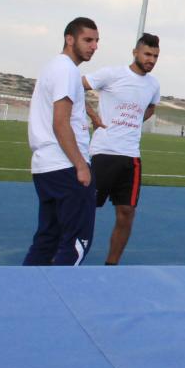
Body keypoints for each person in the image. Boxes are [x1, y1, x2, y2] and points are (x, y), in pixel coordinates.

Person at [23, 17, 99, 265]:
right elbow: (60, 122)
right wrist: (81, 165)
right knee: (77, 244)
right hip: (65, 166)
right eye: (88, 40)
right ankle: (58, 298)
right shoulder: (67, 69)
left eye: (96, 41)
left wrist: (90, 113)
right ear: (70, 39)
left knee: (47, 240)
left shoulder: (53, 67)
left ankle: (25, 293)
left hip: (45, 168)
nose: (94, 46)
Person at [82, 33, 161, 266]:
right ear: (135, 52)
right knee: (85, 209)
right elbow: (74, 87)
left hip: (131, 157)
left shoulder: (153, 84)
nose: (151, 60)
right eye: (147, 54)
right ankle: (68, 254)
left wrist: (134, 120)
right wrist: (93, 114)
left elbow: (151, 108)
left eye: (155, 56)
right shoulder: (112, 74)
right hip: (104, 153)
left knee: (126, 212)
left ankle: (112, 265)